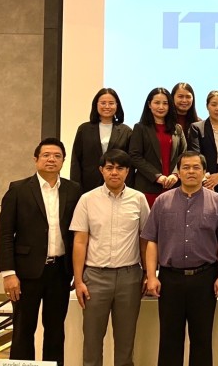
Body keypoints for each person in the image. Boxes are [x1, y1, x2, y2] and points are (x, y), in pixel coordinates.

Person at [142, 152, 218, 366]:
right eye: (186, 167)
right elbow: (152, 241)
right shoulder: (162, 201)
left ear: (204, 172)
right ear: (178, 172)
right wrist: (151, 276)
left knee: (202, 339)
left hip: (204, 278)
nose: (191, 171)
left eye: (196, 167)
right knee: (169, 339)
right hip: (170, 279)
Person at [0, 138, 82, 364]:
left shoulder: (74, 190)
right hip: (25, 273)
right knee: (23, 330)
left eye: (57, 156)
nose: (51, 159)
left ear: (63, 161)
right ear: (36, 159)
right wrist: (8, 273)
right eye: (46, 155)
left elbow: (78, 233)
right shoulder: (18, 189)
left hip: (60, 271)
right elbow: (5, 233)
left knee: (55, 331)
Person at [70, 149, 150, 366]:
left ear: (127, 171)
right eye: (109, 168)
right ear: (101, 170)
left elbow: (145, 240)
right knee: (92, 340)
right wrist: (79, 280)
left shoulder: (139, 199)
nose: (114, 172)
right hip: (95, 278)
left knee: (126, 341)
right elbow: (80, 241)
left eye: (120, 168)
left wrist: (148, 273)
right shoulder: (87, 200)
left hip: (129, 277)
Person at [129, 87, 187, 207]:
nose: (161, 107)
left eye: (165, 103)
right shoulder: (140, 128)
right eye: (157, 103)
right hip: (148, 187)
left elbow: (184, 155)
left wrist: (176, 174)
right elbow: (135, 156)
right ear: (149, 105)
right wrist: (157, 176)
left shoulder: (177, 129)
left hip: (173, 187)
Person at [70, 88, 133, 193]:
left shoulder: (126, 131)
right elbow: (76, 160)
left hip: (117, 184)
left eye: (111, 103)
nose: (107, 106)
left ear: (117, 105)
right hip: (89, 184)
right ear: (96, 105)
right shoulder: (84, 129)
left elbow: (130, 162)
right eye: (103, 103)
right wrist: (75, 186)